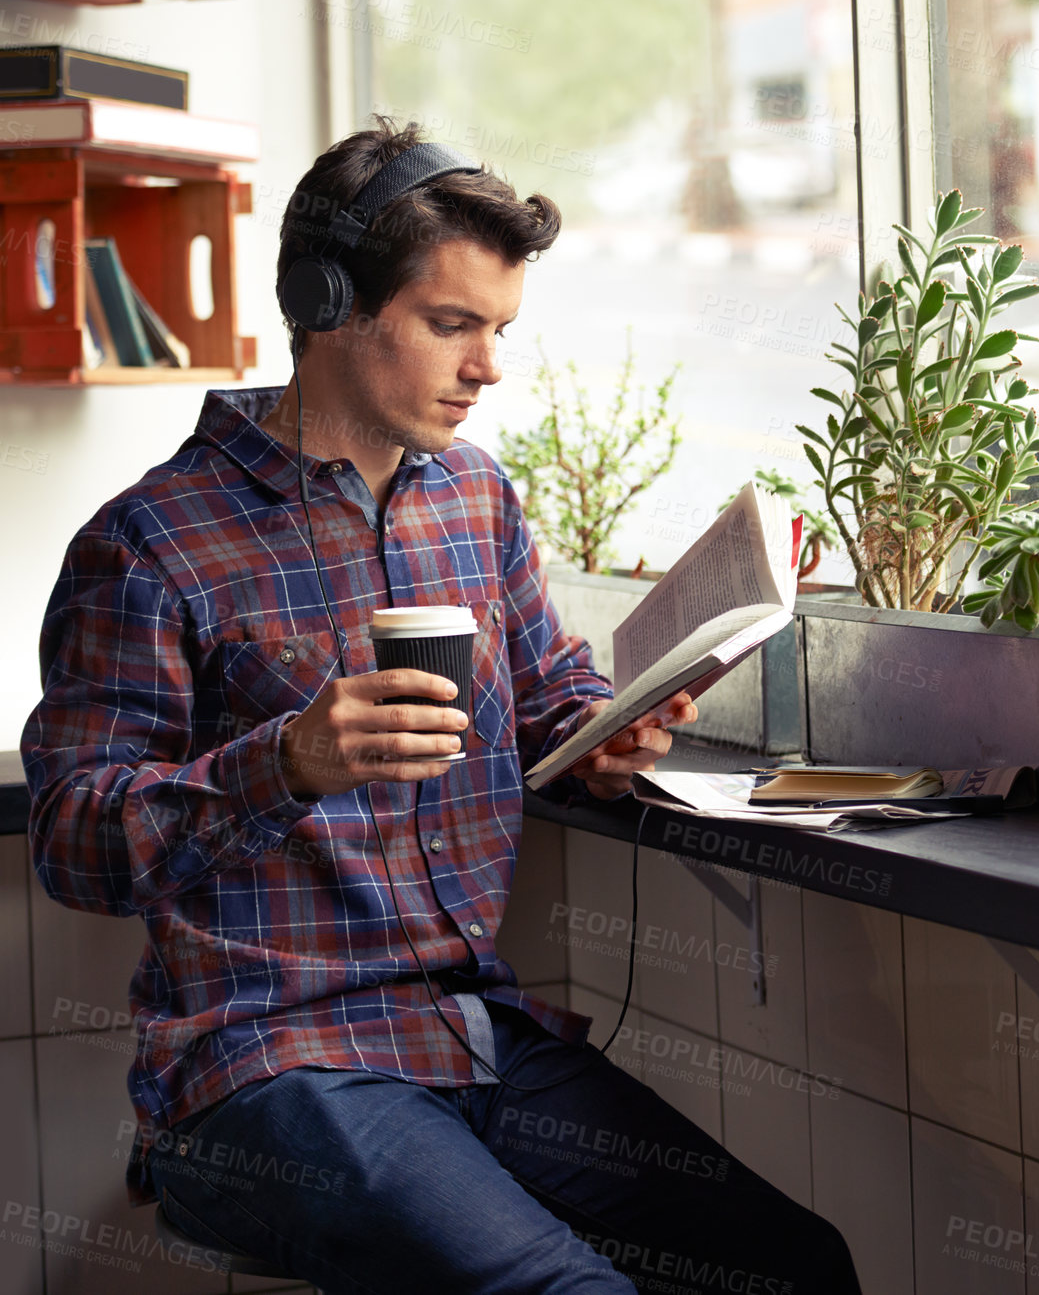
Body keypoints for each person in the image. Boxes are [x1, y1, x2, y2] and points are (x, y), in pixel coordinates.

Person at [21, 118, 860, 1295]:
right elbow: (73, 842)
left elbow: (550, 698)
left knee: (792, 1267)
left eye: (500, 329)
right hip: (266, 1069)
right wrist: (291, 761)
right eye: (451, 324)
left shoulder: (475, 499)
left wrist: (613, 735)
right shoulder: (151, 544)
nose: (488, 367)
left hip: (472, 1032)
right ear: (327, 303)